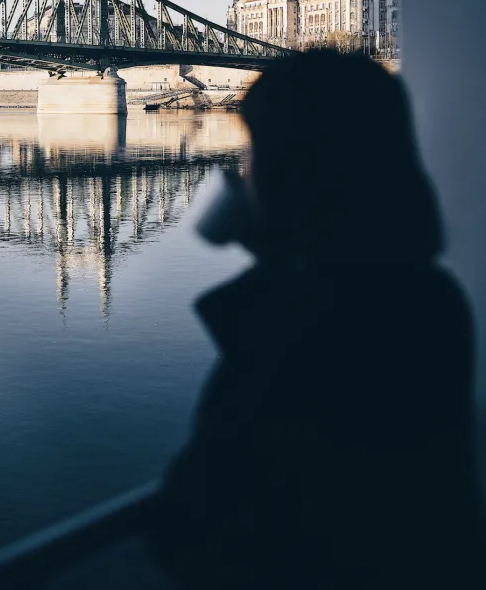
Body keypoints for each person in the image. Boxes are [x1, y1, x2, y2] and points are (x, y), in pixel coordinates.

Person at [133, 50, 486, 589]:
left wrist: (270, 273)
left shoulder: (297, 326)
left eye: (254, 150)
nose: (242, 170)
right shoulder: (431, 295)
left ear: (294, 171)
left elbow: (190, 525)